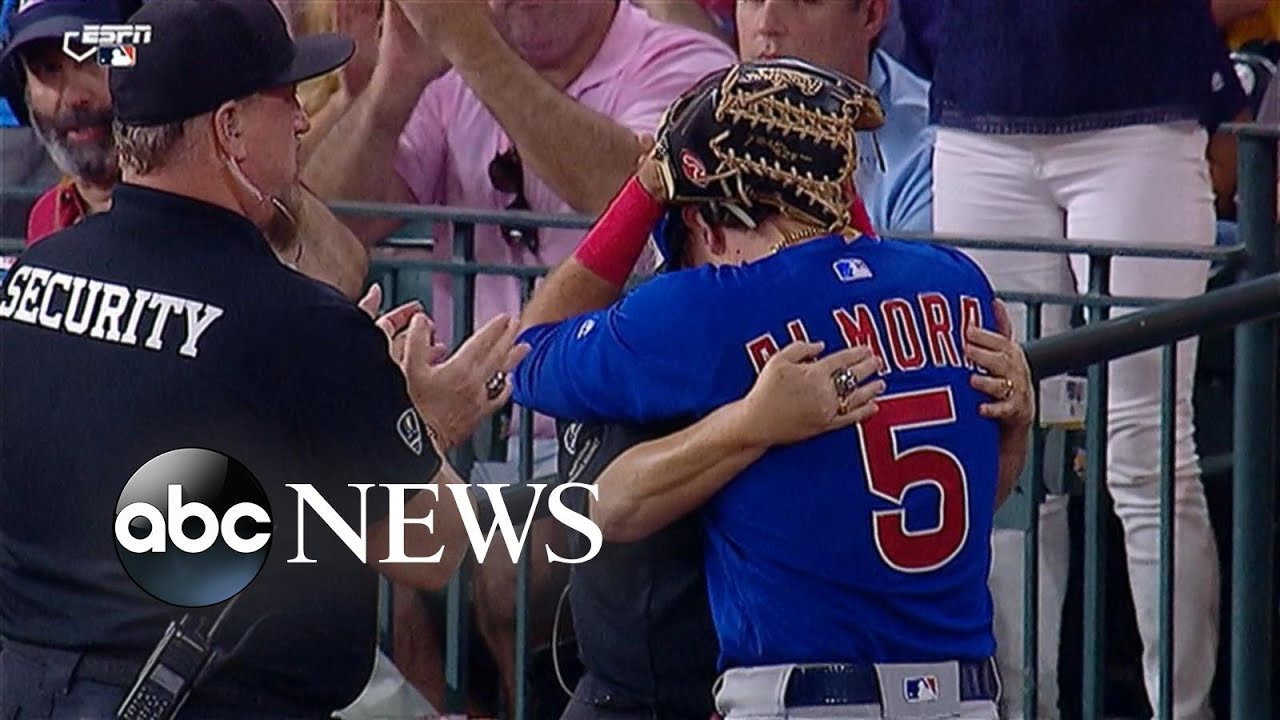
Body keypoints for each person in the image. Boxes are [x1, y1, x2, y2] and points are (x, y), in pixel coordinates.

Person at [0, 0, 525, 716]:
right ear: (230, 128)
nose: (305, 120)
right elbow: (430, 547)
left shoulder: (31, 278)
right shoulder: (299, 325)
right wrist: (424, 422)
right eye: (285, 99)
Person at [512, 58, 1035, 720]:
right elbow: (972, 507)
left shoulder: (712, 307)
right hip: (964, 699)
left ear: (706, 219)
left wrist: (645, 190)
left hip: (810, 701)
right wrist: (1019, 427)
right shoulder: (958, 285)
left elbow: (522, 356)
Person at [301, 0, 734, 708]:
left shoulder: (683, 64)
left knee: (504, 574)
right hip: (459, 440)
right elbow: (322, 236)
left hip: (609, 443)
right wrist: (390, 90)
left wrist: (477, 52)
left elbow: (635, 195)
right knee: (373, 559)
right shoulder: (447, 80)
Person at [928, 3, 1239, 718]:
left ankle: (1182, 713)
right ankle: (1016, 707)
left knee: (1147, 447)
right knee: (1005, 447)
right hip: (984, 103)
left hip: (1140, 107)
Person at [0, 0, 369, 299]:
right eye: (48, 69)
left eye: (99, 57)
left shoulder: (228, 197)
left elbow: (342, 276)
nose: (75, 97)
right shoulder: (48, 217)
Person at [735, 0, 934, 234]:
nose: (766, 24)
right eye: (753, 0)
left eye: (802, 2)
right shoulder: (701, 127)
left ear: (871, 15)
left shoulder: (929, 149)